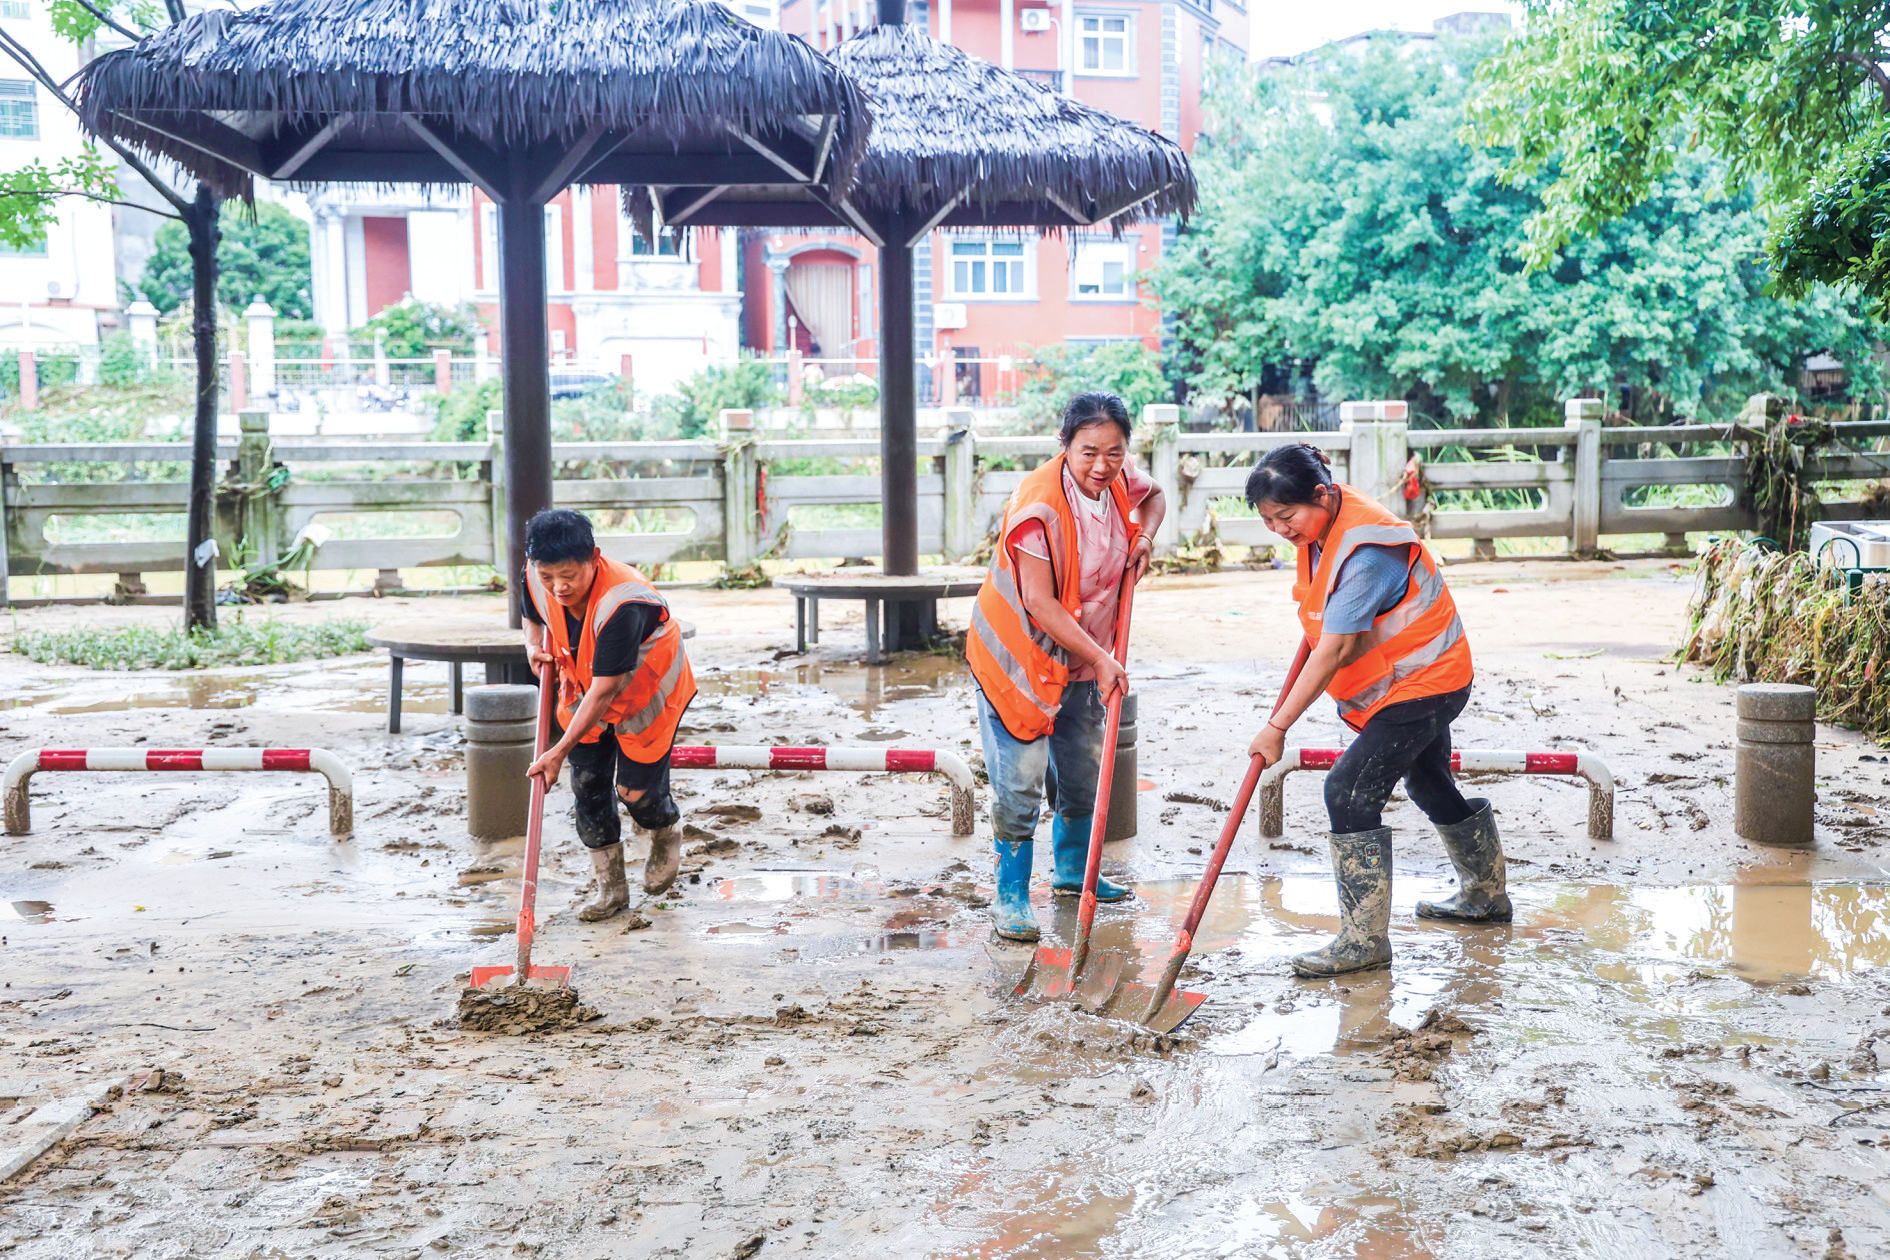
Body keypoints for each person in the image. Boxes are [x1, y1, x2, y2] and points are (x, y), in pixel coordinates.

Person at [1244, 444, 1506, 977]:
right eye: (1269, 521)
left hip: (1425, 682)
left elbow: (1336, 649)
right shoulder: (1327, 522)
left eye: (1286, 516)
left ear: (1321, 494)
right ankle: (1486, 899)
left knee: (1346, 791)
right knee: (1429, 785)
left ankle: (1363, 941)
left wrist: (1276, 727)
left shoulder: (1369, 550)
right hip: (1406, 684)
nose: (1281, 530)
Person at [966, 392, 1167, 941]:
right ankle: (1010, 894)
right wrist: (1102, 657)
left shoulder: (1119, 479)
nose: (1102, 466)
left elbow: (1156, 497)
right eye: (1088, 453)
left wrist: (1144, 537)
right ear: (1064, 446)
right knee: (1022, 781)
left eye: (1115, 452)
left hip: (1083, 658)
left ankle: (1075, 874)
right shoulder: (1038, 505)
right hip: (1021, 658)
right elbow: (1039, 601)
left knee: (1082, 770)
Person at [519, 509, 697, 920]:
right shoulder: (535, 572)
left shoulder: (624, 602)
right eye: (548, 577)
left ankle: (666, 829)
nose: (558, 587)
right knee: (588, 792)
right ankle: (611, 890)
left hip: (644, 696)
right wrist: (531, 646)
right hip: (581, 693)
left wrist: (557, 749)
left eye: (568, 575)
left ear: (594, 557)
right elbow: (532, 615)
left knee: (639, 797)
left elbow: (606, 690)